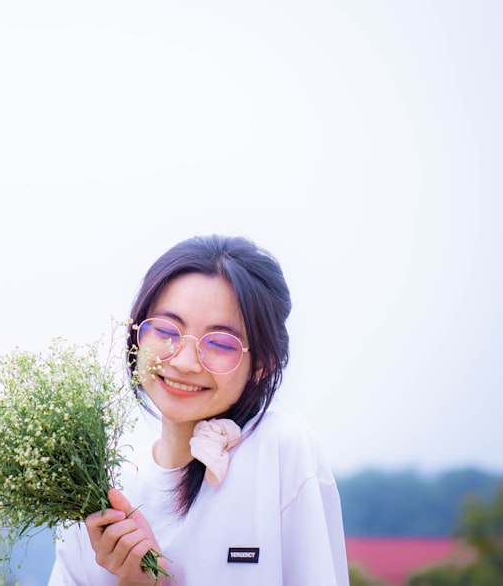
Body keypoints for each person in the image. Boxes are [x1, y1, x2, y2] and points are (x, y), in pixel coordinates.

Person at [47, 234, 349, 585]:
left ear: (263, 362)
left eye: (219, 343)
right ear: (137, 335)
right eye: (165, 329)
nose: (186, 362)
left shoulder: (280, 451)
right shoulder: (98, 488)